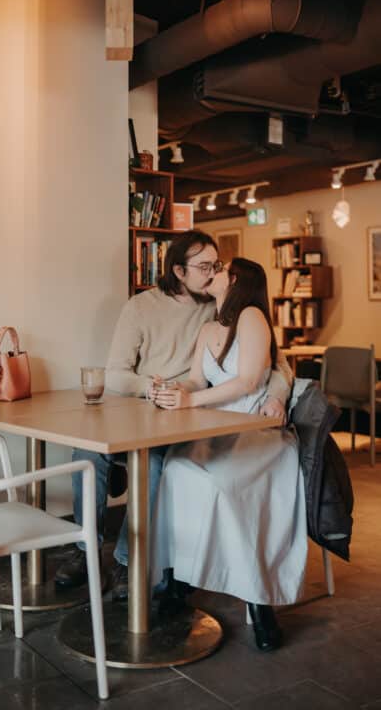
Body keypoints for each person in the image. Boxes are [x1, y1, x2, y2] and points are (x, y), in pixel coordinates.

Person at [54, 231, 293, 599]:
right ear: (179, 271)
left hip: (190, 414)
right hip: (143, 405)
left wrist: (276, 394)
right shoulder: (141, 307)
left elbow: (273, 363)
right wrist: (150, 388)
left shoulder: (221, 306)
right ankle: (85, 550)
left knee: (155, 463)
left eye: (217, 265)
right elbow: (116, 371)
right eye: (203, 267)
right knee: (87, 453)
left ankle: (126, 561)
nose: (212, 273)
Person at [150, 258, 308, 651]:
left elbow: (250, 380)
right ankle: (177, 578)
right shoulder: (208, 327)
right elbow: (195, 378)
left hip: (256, 431)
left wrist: (191, 400)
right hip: (214, 429)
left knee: (222, 482)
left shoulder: (252, 316)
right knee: (175, 467)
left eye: (219, 267)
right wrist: (169, 389)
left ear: (234, 280)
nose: (212, 271)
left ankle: (258, 599)